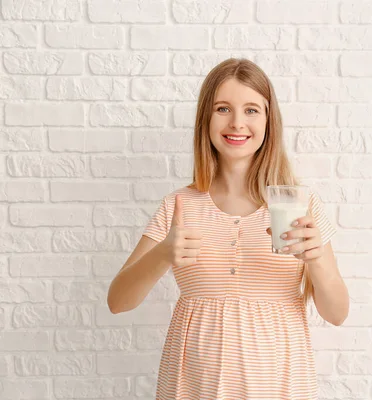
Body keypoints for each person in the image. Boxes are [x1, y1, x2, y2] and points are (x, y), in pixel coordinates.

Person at [106, 58, 349, 399]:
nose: (237, 123)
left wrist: (317, 259)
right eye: (223, 108)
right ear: (206, 118)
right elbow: (118, 301)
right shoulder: (179, 206)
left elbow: (337, 314)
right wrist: (163, 253)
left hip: (280, 385)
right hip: (194, 387)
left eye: (252, 110)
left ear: (269, 121)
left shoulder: (298, 206)